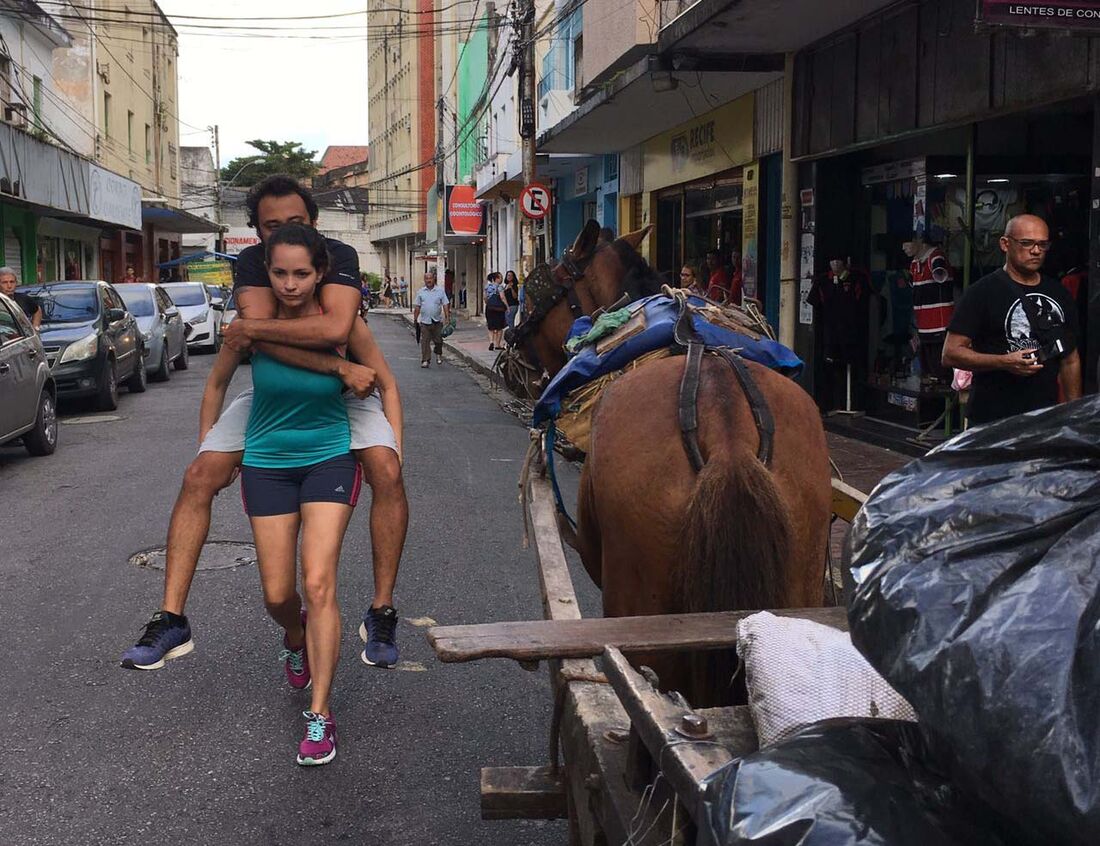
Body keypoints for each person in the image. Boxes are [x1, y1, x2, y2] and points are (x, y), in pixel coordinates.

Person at [121, 174, 409, 673]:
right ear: (256, 231)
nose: (282, 235)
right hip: (276, 394)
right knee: (198, 476)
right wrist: (210, 440)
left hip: (345, 394)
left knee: (387, 469)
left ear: (313, 225)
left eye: (294, 223)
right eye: (271, 227)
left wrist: (257, 332)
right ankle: (171, 617)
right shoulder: (256, 261)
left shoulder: (340, 255)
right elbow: (263, 344)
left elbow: (332, 329)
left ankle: (381, 609)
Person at [201, 224, 357, 765]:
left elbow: (378, 375)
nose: (291, 284)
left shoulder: (338, 325)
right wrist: (208, 447)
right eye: (280, 273)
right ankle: (295, 637)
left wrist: (392, 450)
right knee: (277, 595)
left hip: (329, 458)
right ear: (267, 272)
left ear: (320, 275)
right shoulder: (250, 329)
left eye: (302, 273)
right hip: (265, 463)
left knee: (318, 583)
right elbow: (217, 382)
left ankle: (321, 715)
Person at [942, 214, 1082, 426]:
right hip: (992, 419)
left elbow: (1070, 358)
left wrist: (1074, 416)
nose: (1036, 251)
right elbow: (950, 354)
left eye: (1042, 245)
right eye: (1026, 243)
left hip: (1044, 419)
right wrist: (1003, 362)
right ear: (1005, 244)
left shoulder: (1059, 292)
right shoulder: (981, 292)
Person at [414, 272, 450, 368]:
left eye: (430, 278)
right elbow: (417, 306)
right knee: (425, 341)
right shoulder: (421, 292)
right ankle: (425, 360)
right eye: (426, 278)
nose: (428, 280)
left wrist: (447, 317)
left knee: (438, 340)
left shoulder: (440, 291)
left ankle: (438, 353)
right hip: (425, 321)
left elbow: (445, 304)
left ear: (434, 279)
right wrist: (415, 318)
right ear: (424, 280)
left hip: (437, 320)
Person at [485, 271, 507, 350]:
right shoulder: (499, 287)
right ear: (497, 278)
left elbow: (485, 298)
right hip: (498, 309)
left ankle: (491, 342)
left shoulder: (487, 286)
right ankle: (497, 344)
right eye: (500, 277)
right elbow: (502, 297)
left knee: (491, 326)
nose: (502, 279)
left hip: (489, 308)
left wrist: (489, 304)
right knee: (499, 327)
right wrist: (507, 307)